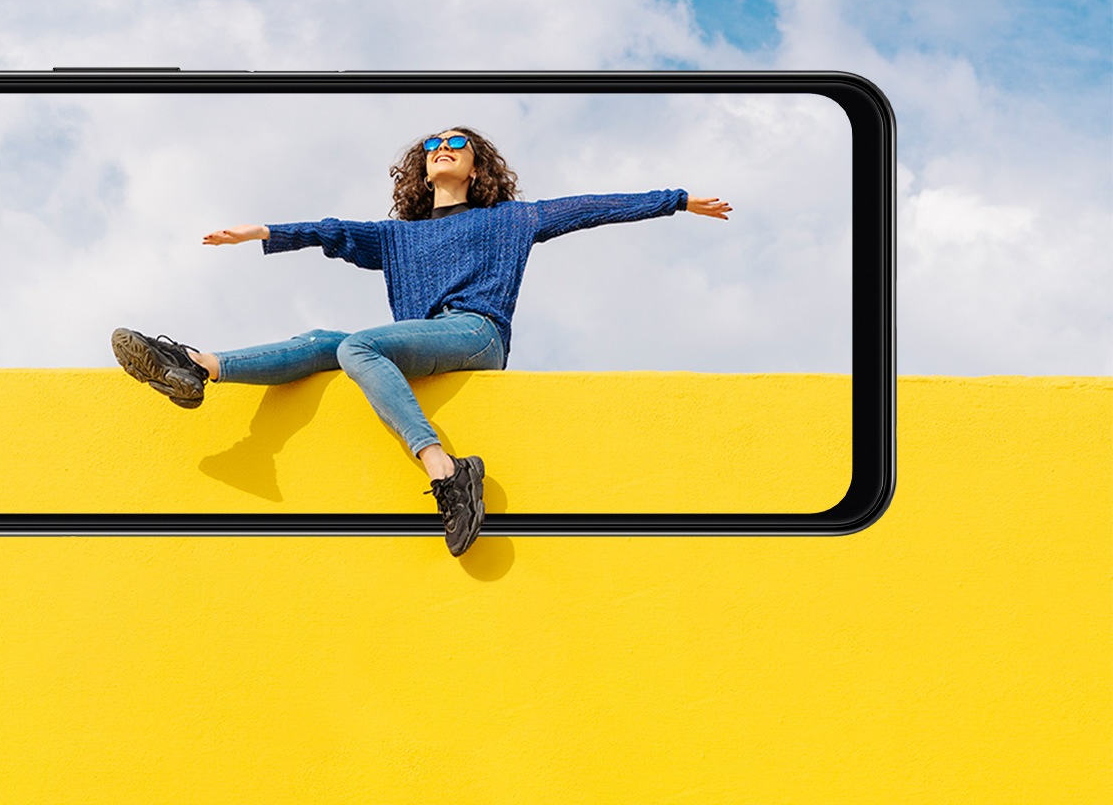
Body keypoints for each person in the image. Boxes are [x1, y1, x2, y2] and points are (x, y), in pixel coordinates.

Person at [112, 127, 732, 557]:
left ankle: (447, 471)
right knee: (330, 340)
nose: (441, 149)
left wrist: (677, 201)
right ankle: (194, 365)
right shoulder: (397, 237)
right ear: (421, 167)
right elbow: (333, 231)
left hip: (477, 334)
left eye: (455, 144)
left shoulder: (511, 219)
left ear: (477, 167)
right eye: (432, 146)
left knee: (357, 347)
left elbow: (591, 206)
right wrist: (263, 232)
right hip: (420, 343)